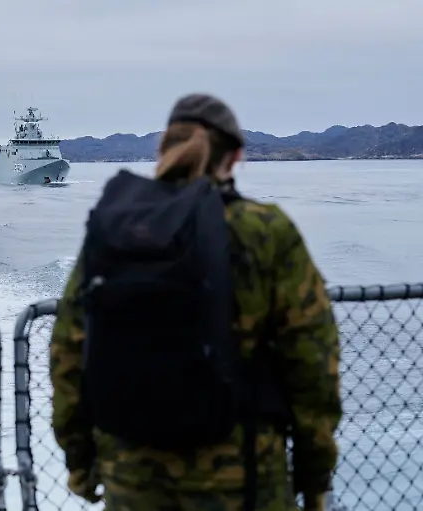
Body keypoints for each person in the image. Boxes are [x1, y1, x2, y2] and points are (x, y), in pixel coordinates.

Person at [49, 93, 342, 511]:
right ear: (236, 156)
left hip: (131, 478)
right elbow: (313, 363)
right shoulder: (265, 232)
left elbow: (68, 351)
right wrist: (314, 478)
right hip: (244, 480)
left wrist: (80, 461)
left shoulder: (118, 229)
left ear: (163, 148)